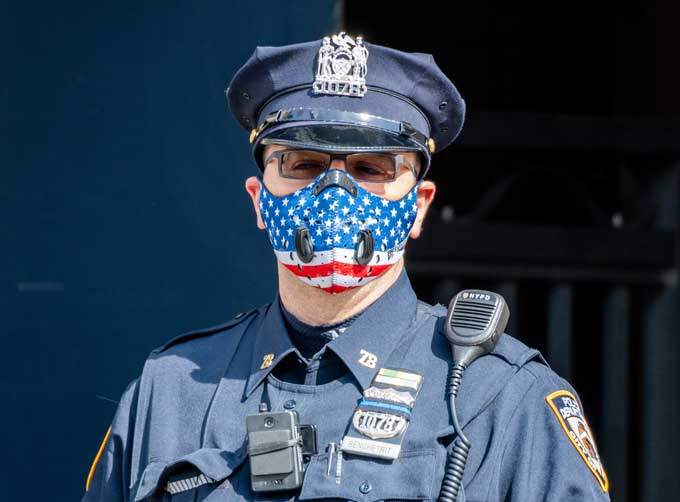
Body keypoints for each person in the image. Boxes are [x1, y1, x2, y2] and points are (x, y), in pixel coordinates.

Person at [81, 32, 610, 501]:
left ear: (420, 205)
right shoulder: (169, 393)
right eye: (303, 164)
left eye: (370, 167)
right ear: (259, 199)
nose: (335, 192)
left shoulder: (503, 402)